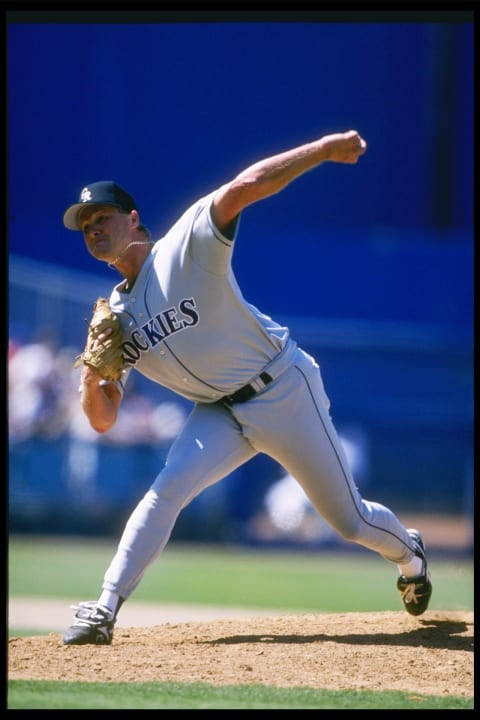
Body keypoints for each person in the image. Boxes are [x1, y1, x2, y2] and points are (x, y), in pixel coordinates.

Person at [61, 129, 432, 645]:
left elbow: (249, 183)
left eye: (103, 218)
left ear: (133, 219)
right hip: (218, 412)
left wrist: (323, 151)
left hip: (282, 387)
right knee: (164, 493)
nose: (94, 230)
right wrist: (91, 372)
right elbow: (102, 420)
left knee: (350, 521)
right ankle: (104, 609)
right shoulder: (114, 317)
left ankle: (410, 555)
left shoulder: (185, 244)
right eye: (86, 227)